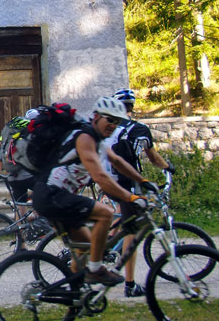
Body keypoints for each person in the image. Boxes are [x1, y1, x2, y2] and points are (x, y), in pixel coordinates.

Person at [32, 97, 158, 286]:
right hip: (51, 195)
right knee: (106, 213)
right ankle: (96, 270)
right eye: (110, 119)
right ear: (97, 117)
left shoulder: (97, 141)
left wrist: (143, 180)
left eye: (117, 121)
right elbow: (99, 177)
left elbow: (116, 161)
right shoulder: (85, 138)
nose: (113, 125)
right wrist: (131, 197)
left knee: (86, 248)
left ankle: (76, 299)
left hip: (58, 197)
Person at [106, 88, 175, 297]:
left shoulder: (110, 126)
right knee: (132, 232)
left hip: (108, 180)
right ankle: (129, 284)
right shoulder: (140, 129)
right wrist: (168, 168)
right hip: (129, 183)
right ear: (132, 107)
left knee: (122, 215)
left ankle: (106, 246)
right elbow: (153, 158)